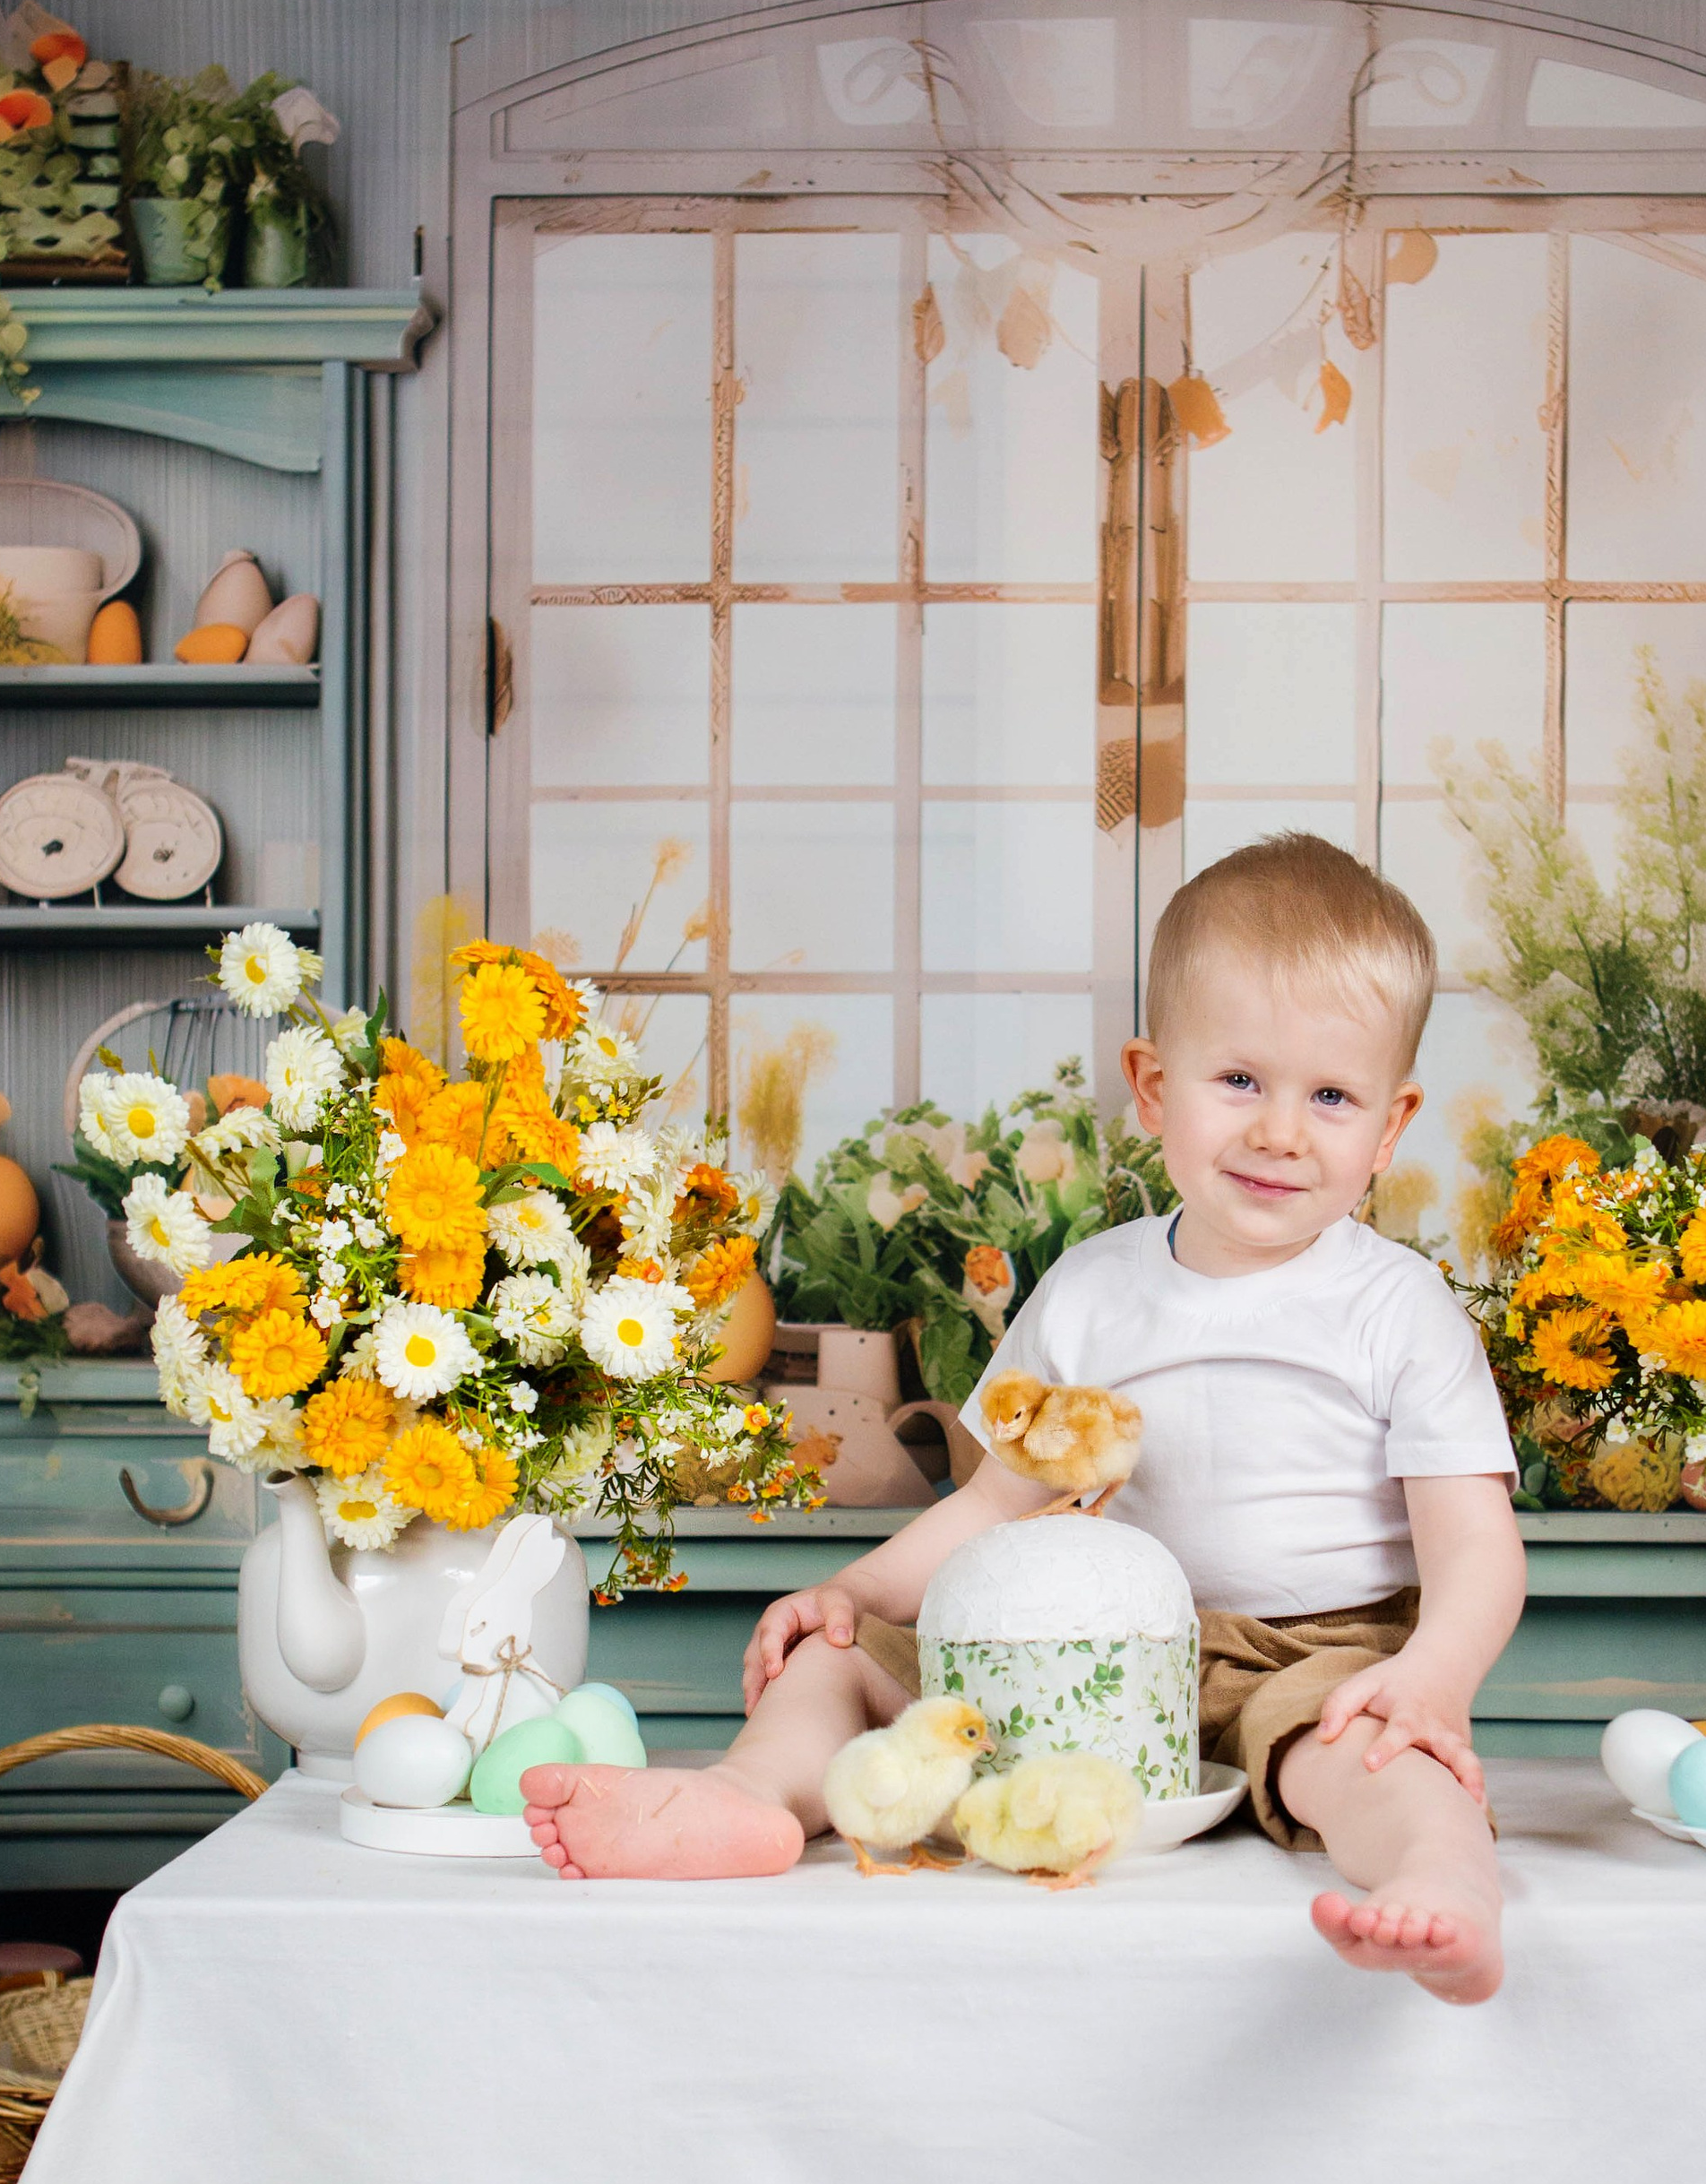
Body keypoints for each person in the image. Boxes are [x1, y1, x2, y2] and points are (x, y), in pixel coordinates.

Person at [522, 834, 1526, 2003]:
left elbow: (1475, 1547)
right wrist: (854, 1592)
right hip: (1089, 1652)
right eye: (1240, 1081)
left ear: (1391, 1128)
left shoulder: (1397, 1308)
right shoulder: (1095, 1291)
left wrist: (1433, 1677)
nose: (1280, 1132)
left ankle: (1441, 1881)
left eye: (1332, 1097)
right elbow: (996, 1503)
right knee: (836, 1666)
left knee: (1381, 1757)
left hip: (1314, 1655)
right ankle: (749, 1799)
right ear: (1153, 1086)